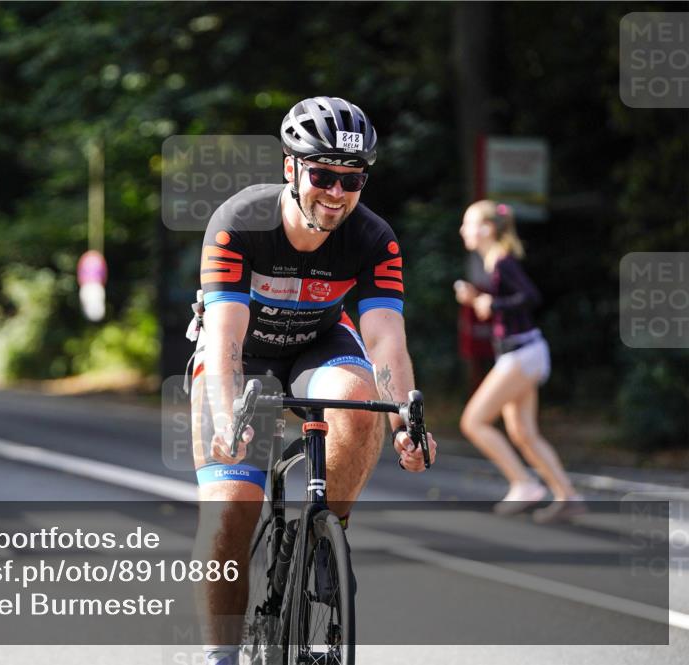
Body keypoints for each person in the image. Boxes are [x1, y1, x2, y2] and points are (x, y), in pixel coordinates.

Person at [188, 96, 437, 665]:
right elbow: (225, 337)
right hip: (243, 353)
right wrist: (228, 418)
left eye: (351, 180)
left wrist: (405, 422)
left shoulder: (375, 238)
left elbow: (384, 340)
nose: (335, 192)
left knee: (355, 395)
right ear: (290, 167)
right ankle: (218, 655)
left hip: (317, 346)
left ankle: (330, 534)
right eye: (322, 174)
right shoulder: (239, 222)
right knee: (229, 506)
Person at [454, 200, 585, 523]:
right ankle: (567, 496)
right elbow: (513, 300)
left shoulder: (500, 261)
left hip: (521, 354)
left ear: (486, 229)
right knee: (524, 433)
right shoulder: (495, 261)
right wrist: (481, 298)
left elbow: (530, 296)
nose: (462, 230)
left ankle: (524, 482)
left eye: (468, 224)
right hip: (525, 352)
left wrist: (491, 302)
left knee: (473, 421)